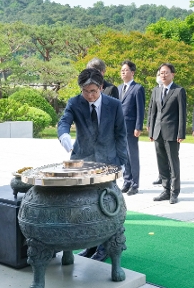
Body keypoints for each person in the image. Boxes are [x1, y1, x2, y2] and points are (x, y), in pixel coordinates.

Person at [57, 68, 128, 261]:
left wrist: (122, 162)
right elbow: (64, 122)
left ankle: (105, 247)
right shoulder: (74, 102)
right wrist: (63, 135)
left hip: (107, 161)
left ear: (101, 88)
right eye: (85, 91)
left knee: (106, 205)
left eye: (93, 92)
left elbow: (121, 134)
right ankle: (90, 245)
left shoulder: (114, 105)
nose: (89, 96)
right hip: (83, 161)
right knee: (84, 207)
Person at [148, 63, 186, 204]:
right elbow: (153, 112)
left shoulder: (178, 91)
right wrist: (151, 130)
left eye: (166, 72)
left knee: (173, 162)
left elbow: (182, 113)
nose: (163, 75)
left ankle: (174, 192)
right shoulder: (156, 91)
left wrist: (181, 133)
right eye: (161, 73)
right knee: (162, 162)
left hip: (172, 132)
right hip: (157, 132)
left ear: (172, 74)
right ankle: (165, 190)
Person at [118, 60, 145, 196]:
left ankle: (135, 184)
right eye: (122, 70)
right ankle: (126, 181)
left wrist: (138, 126)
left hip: (131, 127)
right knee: (124, 157)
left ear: (132, 72)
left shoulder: (137, 88)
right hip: (120, 129)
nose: (123, 72)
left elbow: (140, 109)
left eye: (126, 70)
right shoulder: (118, 88)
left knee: (132, 156)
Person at [148, 71, 164, 186]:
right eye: (158, 74)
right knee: (159, 155)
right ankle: (161, 175)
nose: (159, 76)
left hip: (170, 130)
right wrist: (150, 125)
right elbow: (152, 109)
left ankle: (170, 177)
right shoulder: (155, 90)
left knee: (169, 157)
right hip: (157, 128)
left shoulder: (174, 90)